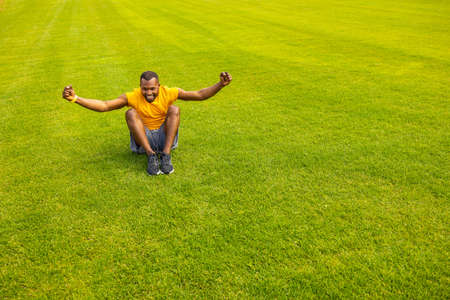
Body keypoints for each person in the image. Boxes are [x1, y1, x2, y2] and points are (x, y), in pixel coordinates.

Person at [62, 71, 232, 175]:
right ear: (140, 86)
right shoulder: (133, 96)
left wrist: (220, 85)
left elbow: (199, 95)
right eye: (145, 88)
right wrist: (75, 99)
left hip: (165, 137)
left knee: (174, 109)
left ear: (159, 86)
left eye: (152, 88)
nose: (148, 92)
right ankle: (151, 156)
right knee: (130, 113)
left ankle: (165, 155)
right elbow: (105, 106)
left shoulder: (169, 92)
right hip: (143, 140)